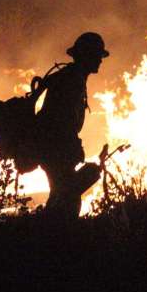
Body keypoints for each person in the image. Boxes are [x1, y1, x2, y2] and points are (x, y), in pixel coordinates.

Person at [35, 32, 107, 220]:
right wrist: (72, 147)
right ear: (87, 56)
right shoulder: (71, 81)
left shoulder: (72, 77)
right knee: (67, 198)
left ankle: (51, 234)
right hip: (56, 149)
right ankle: (58, 239)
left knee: (61, 194)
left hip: (53, 148)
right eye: (97, 55)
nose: (100, 60)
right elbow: (61, 119)